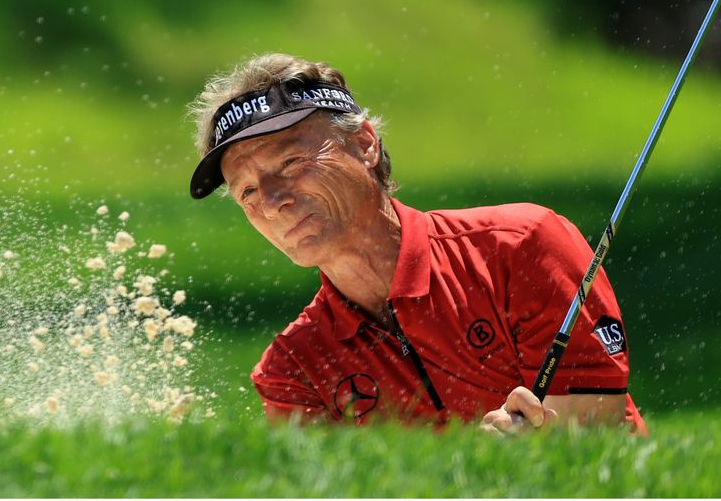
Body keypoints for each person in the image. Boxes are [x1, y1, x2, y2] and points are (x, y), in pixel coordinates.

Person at [187, 52, 646, 435]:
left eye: (290, 161)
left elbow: (592, 433)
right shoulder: (294, 370)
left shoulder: (519, 245)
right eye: (247, 191)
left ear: (364, 144)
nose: (271, 201)